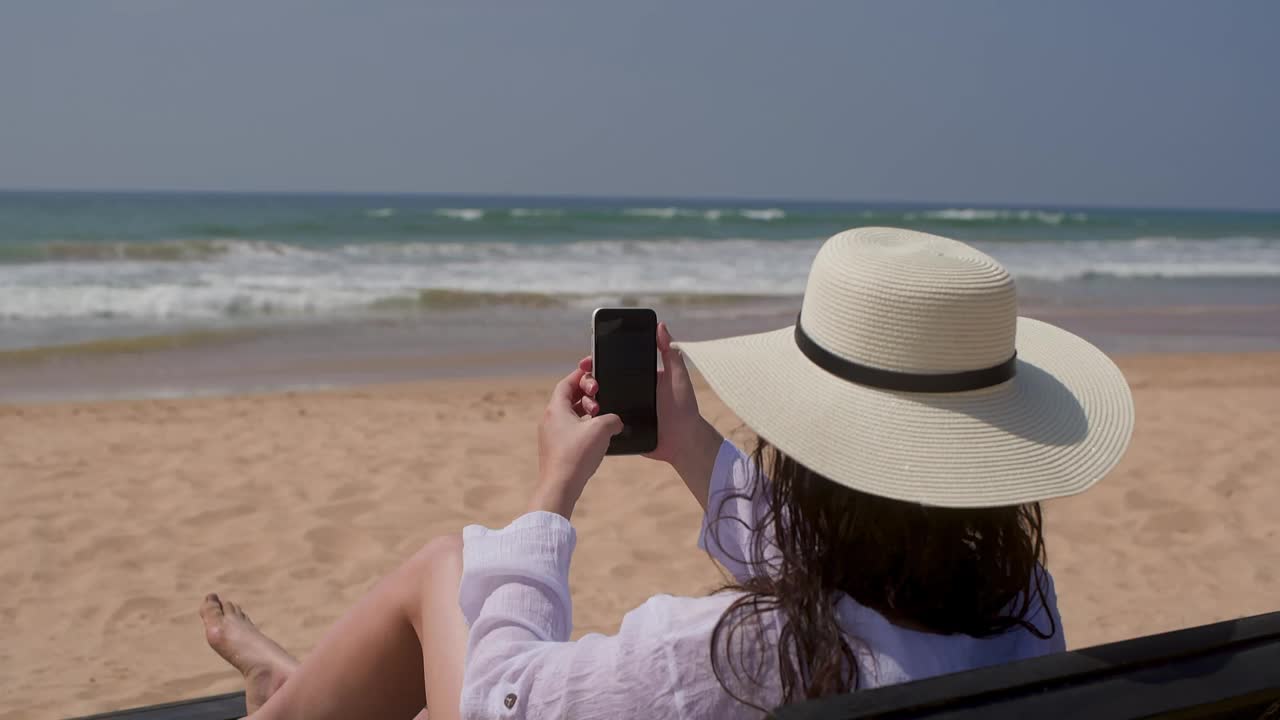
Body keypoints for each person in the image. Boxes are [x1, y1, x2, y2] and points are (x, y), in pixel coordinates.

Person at [198, 227, 1135, 719]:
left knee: (449, 567)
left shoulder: (740, 656)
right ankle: (301, 685)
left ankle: (288, 710)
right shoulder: (1019, 603)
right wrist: (690, 446)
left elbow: (499, 702)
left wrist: (550, 496)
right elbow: (852, 577)